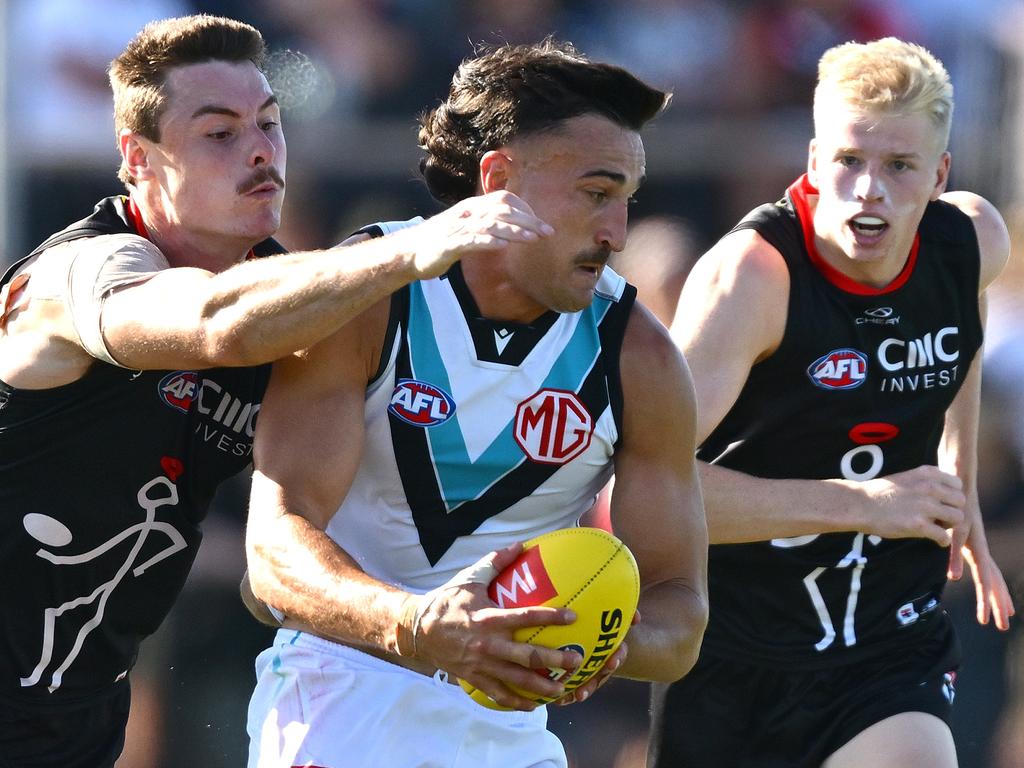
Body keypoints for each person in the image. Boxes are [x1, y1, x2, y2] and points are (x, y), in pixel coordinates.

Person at [0, 14, 557, 768]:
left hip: (71, 715)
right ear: (138, 159)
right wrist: (412, 247)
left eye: (269, 123)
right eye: (219, 133)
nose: (262, 149)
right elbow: (215, 322)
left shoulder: (294, 300)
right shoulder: (77, 275)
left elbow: (303, 536)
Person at [242, 39, 708, 768]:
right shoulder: (365, 298)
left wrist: (594, 646)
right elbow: (273, 553)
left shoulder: (639, 358)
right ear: (498, 181)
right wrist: (420, 624)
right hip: (339, 696)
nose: (616, 233)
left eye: (626, 200)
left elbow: (680, 618)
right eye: (595, 193)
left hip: (513, 734)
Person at [649, 37, 1015, 768]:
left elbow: (960, 333)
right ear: (815, 160)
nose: (869, 189)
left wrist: (959, 473)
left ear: (939, 174)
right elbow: (652, 490)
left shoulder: (970, 238)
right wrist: (863, 504)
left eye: (899, 166)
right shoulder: (751, 278)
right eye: (849, 160)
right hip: (732, 649)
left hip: (887, 641)